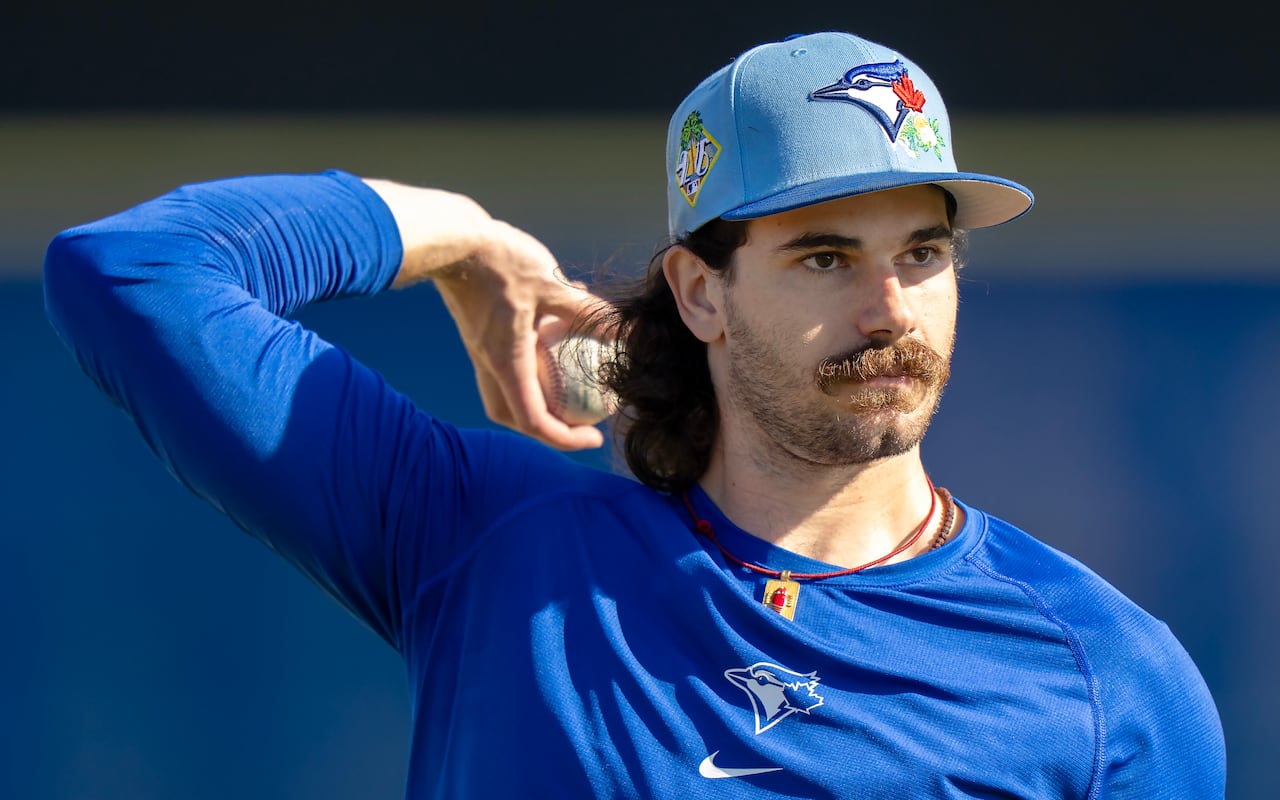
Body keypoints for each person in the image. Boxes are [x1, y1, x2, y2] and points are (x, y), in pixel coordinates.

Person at [43, 30, 1224, 798]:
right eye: (821, 257)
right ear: (700, 292)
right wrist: (457, 233)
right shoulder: (492, 543)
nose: (886, 308)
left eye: (920, 253)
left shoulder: (1100, 675)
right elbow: (133, 272)